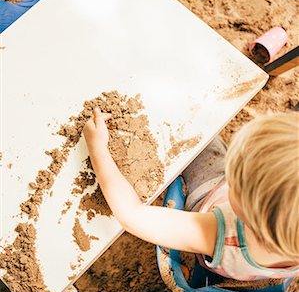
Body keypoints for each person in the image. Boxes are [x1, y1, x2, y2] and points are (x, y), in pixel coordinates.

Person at [83, 109, 299, 281]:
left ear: (245, 209)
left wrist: (97, 147)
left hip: (210, 199)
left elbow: (131, 215)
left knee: (194, 130)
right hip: (254, 265)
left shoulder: (218, 234)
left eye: (235, 181)